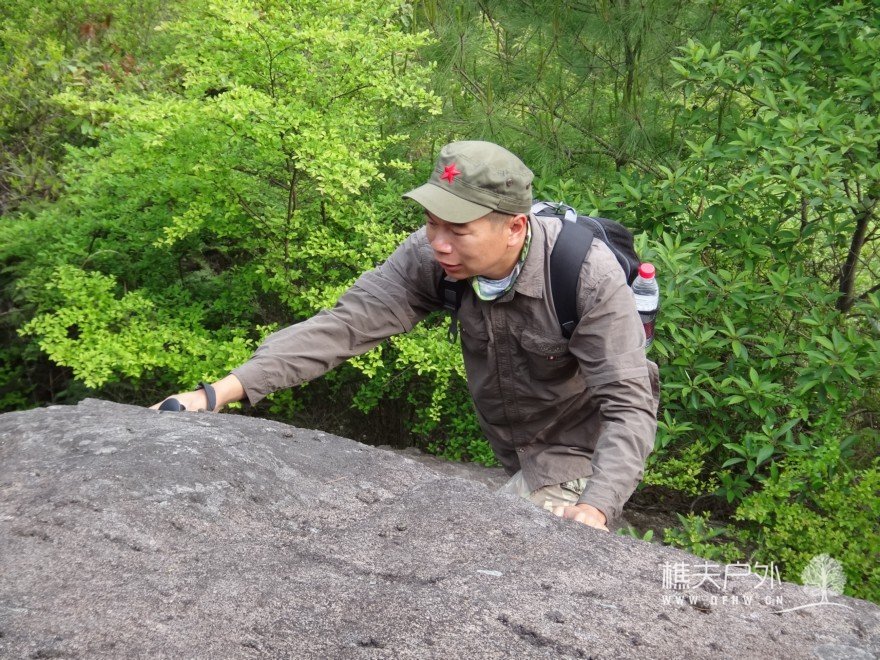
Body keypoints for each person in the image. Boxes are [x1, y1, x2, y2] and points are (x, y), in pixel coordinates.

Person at [152, 141, 659, 532]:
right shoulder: (430, 256)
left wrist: (595, 506)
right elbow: (345, 325)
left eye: (457, 229)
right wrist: (216, 393)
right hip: (513, 448)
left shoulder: (583, 276)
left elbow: (630, 403)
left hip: (580, 452)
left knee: (491, 553)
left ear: (514, 228)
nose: (438, 243)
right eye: (432, 223)